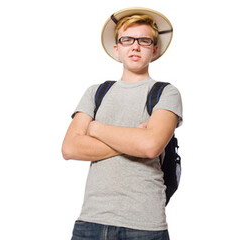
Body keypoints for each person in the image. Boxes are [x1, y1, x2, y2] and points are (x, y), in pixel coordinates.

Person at [61, 7, 181, 240]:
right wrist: (133, 139)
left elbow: (150, 147)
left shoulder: (166, 92)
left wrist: (95, 129)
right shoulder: (96, 92)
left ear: (154, 49)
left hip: (145, 224)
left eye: (144, 40)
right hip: (91, 221)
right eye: (127, 40)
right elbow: (70, 148)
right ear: (117, 48)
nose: (135, 46)